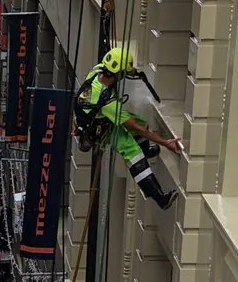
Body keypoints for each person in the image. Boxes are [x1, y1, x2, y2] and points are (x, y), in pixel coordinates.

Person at [76, 44, 177, 209]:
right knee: (133, 152)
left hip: (100, 118)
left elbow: (139, 125)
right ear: (118, 74)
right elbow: (137, 128)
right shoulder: (108, 102)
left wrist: (132, 71)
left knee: (142, 122)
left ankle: (146, 150)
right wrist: (165, 142)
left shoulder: (98, 71)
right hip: (101, 129)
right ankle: (160, 198)